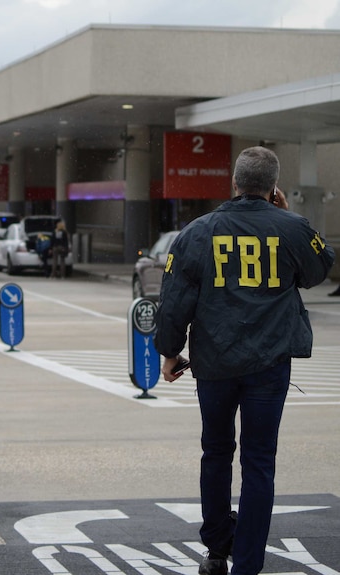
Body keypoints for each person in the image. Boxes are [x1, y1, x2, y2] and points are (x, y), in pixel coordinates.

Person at [154, 147, 335, 575]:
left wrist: (169, 352)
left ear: (233, 182)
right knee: (259, 461)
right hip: (269, 367)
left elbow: (175, 300)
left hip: (214, 365)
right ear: (273, 188)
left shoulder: (198, 232)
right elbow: (319, 269)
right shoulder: (291, 228)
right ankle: (248, 564)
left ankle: (217, 548)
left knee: (215, 451)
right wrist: (288, 216)